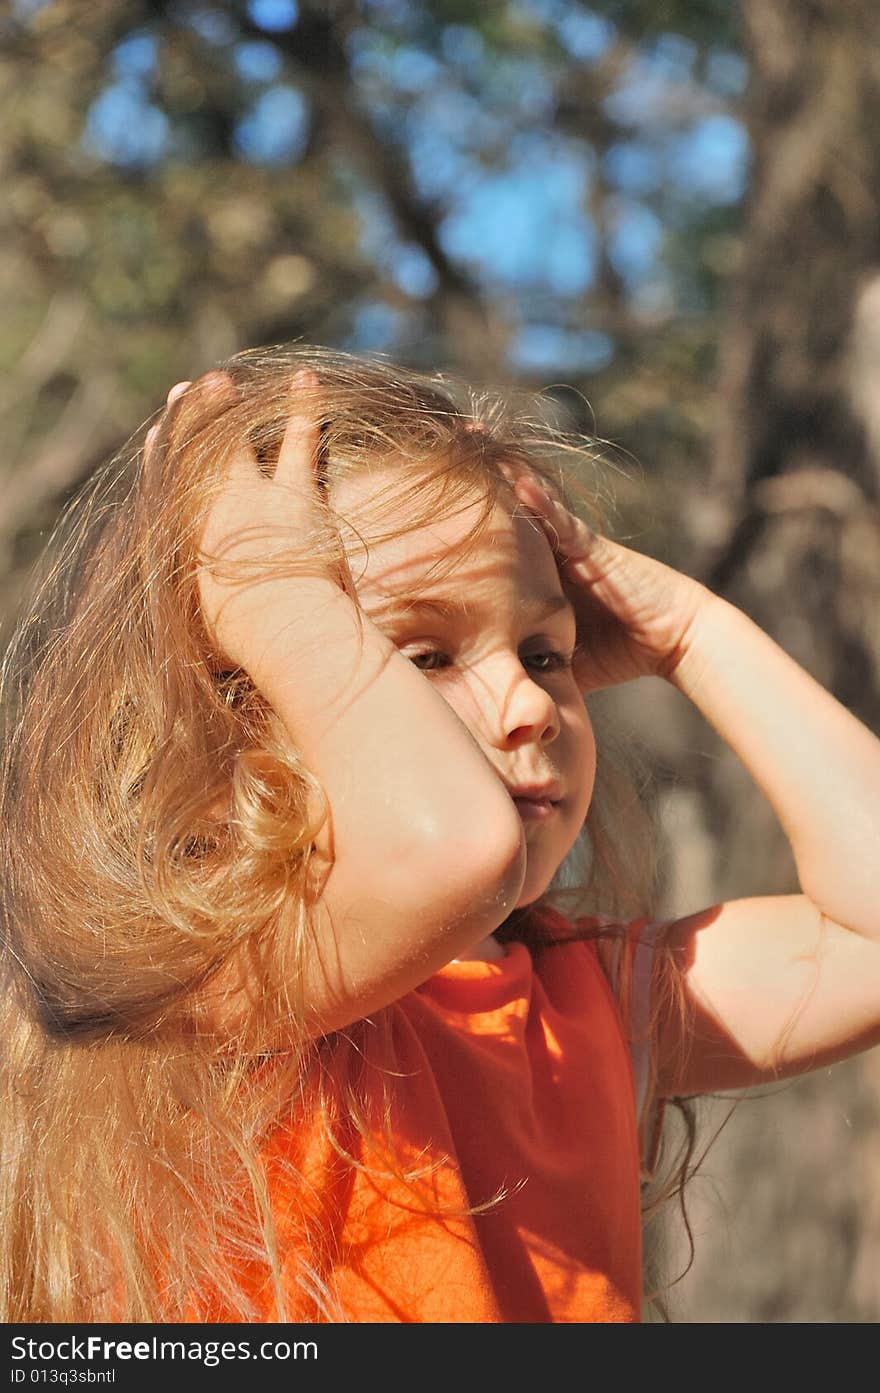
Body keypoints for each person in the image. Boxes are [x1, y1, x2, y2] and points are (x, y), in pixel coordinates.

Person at [2, 345, 880, 1324]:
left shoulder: (581, 1007)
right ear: (229, 710)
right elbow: (447, 854)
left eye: (545, 652)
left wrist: (689, 627)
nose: (530, 704)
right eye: (422, 653)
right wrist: (275, 591)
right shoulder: (212, 985)